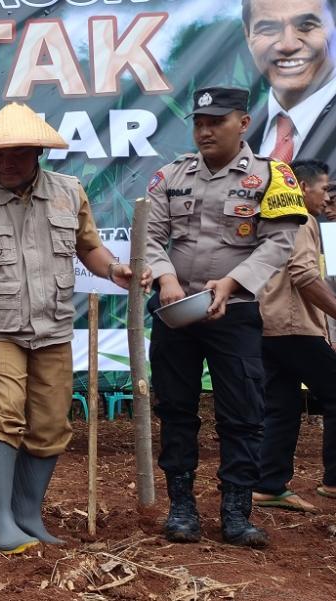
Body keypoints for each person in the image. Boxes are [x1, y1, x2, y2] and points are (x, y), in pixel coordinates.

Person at [0, 103, 150, 555]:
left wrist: (114, 270)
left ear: (38, 152)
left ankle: (26, 513)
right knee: (2, 415)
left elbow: (89, 249)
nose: (6, 162)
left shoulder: (69, 193)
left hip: (54, 328)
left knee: (50, 424)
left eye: (17, 153)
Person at [146, 86, 307, 548]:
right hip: (176, 313)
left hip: (234, 312)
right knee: (175, 408)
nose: (205, 130)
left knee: (242, 411)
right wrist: (164, 277)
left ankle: (236, 511)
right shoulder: (170, 175)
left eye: (216, 121)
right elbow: (150, 237)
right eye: (199, 122)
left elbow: (279, 242)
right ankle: (182, 508)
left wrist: (233, 283)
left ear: (244, 123)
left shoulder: (273, 176)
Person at [252, 159, 336, 512]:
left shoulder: (271, 214)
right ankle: (333, 482)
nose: (327, 198)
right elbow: (303, 274)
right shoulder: (301, 217)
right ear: (302, 188)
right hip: (292, 325)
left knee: (282, 406)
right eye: (324, 189)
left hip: (267, 325)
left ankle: (269, 484)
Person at [243, 0, 336, 166]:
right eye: (269, 29)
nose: (288, 45)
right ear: (247, 36)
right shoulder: (235, 135)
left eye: (306, 25)